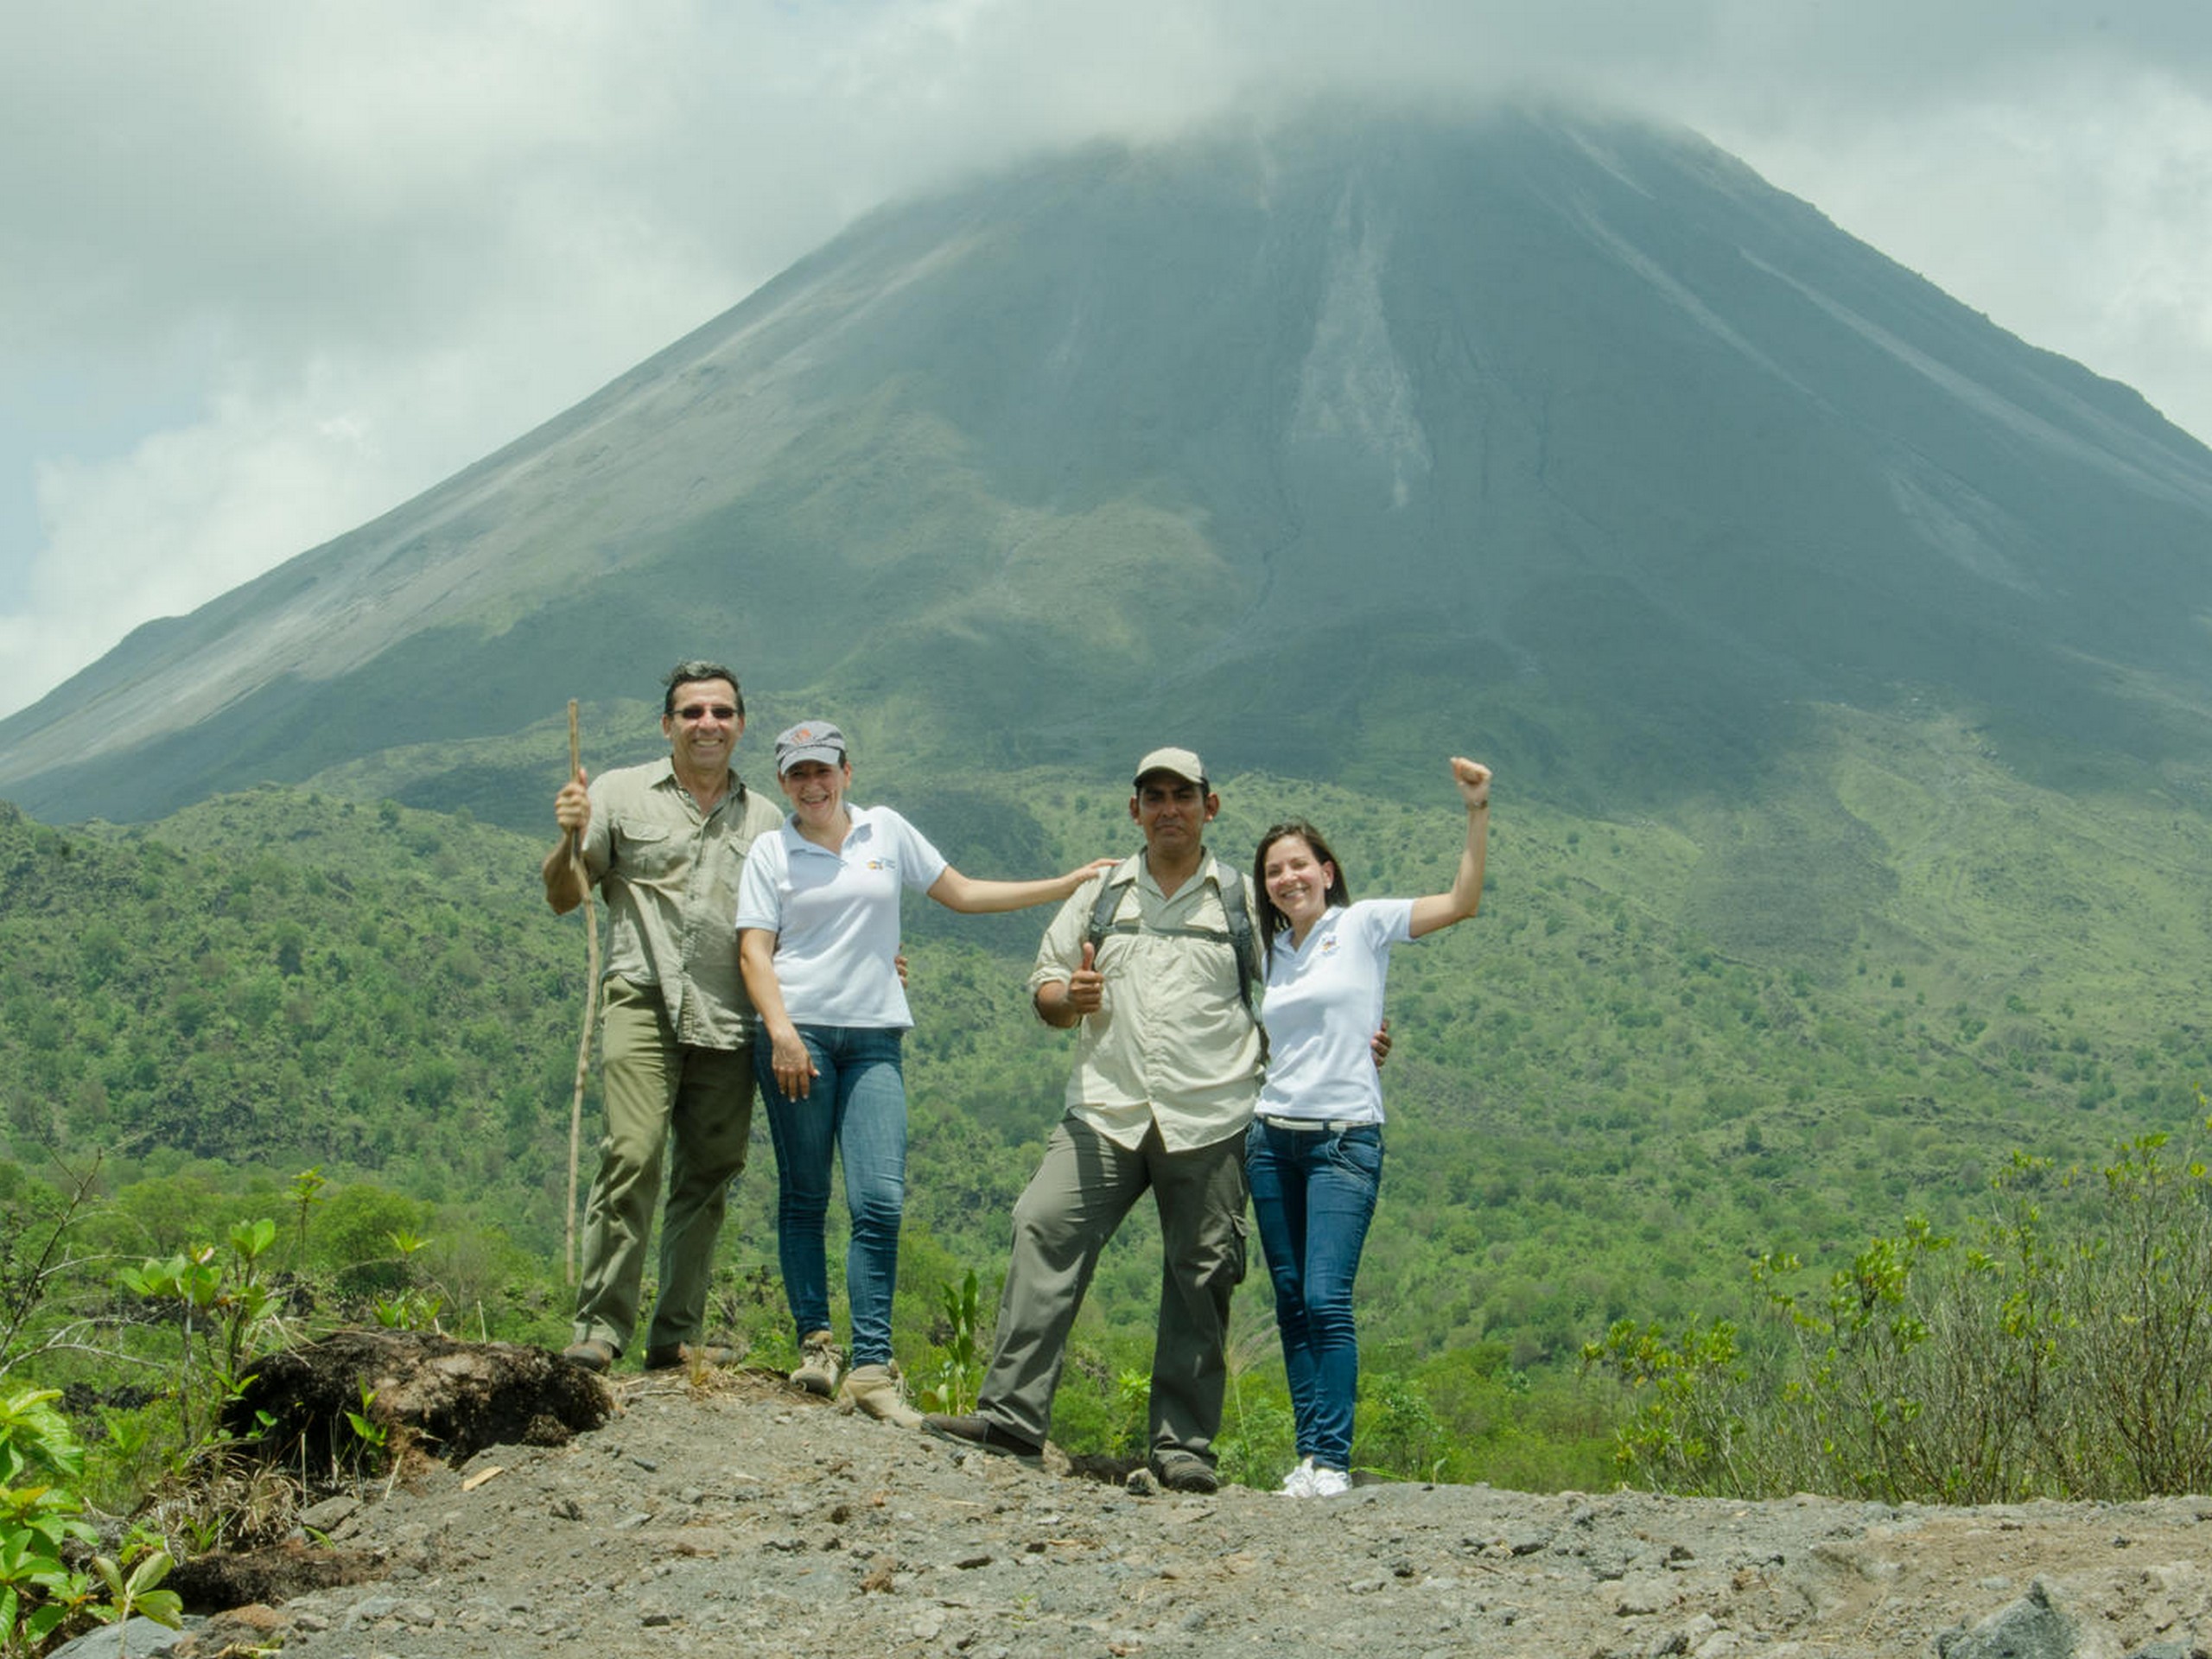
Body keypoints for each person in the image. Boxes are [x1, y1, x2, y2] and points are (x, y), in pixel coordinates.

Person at [736, 721, 1114, 1426]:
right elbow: (755, 952)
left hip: (877, 1035)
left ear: (848, 771)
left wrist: (1067, 884)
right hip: (799, 1035)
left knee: (878, 1201)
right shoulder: (771, 849)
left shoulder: (886, 832)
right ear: (783, 782)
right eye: (797, 775)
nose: (813, 786)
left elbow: (962, 893)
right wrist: (782, 1033)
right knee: (807, 1194)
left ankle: (872, 1368)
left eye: (824, 771)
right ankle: (817, 1344)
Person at [920, 747, 1268, 1494]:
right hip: (1105, 1110)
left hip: (1212, 1115)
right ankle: (1011, 1418)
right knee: (1044, 1224)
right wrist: (1066, 1000)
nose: (1168, 807)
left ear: (1211, 807)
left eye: (1183, 795)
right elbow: (1044, 987)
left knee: (1201, 1274)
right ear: (1133, 809)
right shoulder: (1101, 895)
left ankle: (1182, 1448)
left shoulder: (1242, 900)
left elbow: (1295, 990)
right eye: (1153, 796)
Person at [1248, 756, 1491, 1498]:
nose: (1287, 878)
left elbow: (1461, 902)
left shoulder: (1364, 924)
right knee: (1290, 1302)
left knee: (1326, 1298)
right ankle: (1307, 1455)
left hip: (1343, 1138)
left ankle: (1333, 1460)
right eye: (1272, 872)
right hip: (1270, 1136)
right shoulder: (1270, 953)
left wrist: (1477, 810)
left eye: (1298, 865)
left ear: (1326, 870)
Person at [543, 661, 784, 1375]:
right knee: (633, 1155)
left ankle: (675, 1337)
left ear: (740, 724)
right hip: (642, 998)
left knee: (709, 1173)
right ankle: (599, 1328)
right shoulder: (617, 793)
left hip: (727, 1017)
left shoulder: (766, 819)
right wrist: (567, 838)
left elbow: (791, 929)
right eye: (691, 713)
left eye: (720, 712)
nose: (706, 724)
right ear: (668, 725)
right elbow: (566, 895)